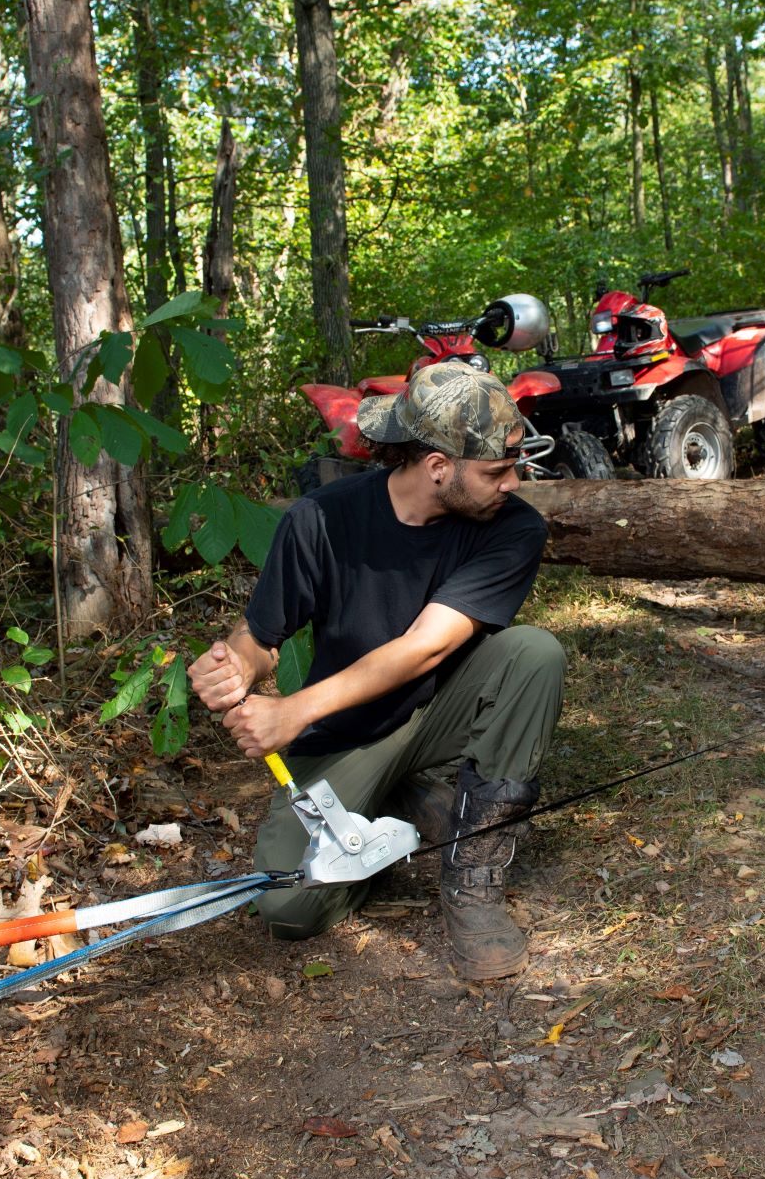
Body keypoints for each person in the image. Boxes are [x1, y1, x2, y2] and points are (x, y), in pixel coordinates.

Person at [188, 361, 566, 980]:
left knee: (533, 653)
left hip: (439, 706)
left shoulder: (514, 528)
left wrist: (292, 710)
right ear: (438, 466)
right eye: (496, 469)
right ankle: (398, 799)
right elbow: (260, 637)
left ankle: (473, 876)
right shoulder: (321, 519)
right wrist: (236, 668)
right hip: (347, 732)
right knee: (287, 908)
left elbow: (425, 648)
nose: (512, 482)